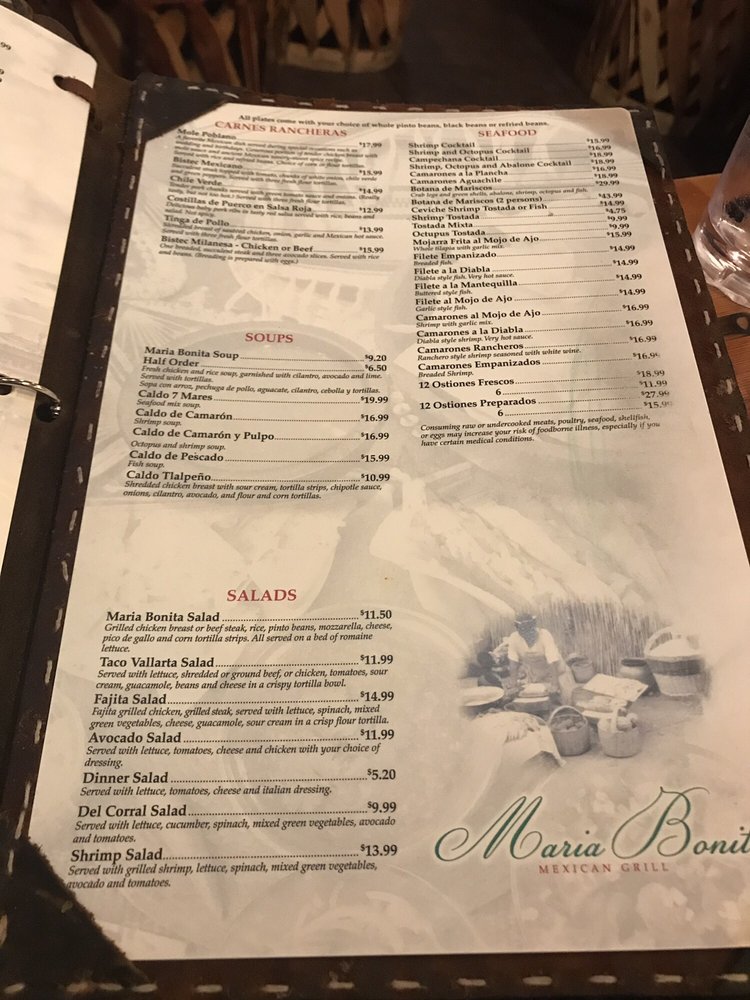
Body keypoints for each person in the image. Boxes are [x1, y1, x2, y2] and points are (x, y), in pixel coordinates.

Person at [498, 612, 573, 701]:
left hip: (558, 674)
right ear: (518, 629)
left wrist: (554, 684)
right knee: (535, 702)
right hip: (537, 677)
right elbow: (513, 664)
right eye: (523, 630)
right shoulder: (514, 638)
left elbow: (552, 661)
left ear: (534, 626)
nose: (528, 633)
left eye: (530, 629)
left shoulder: (544, 635)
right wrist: (513, 685)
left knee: (565, 700)